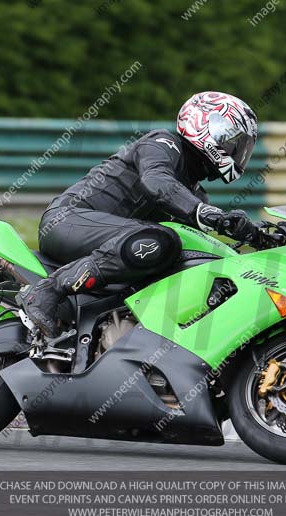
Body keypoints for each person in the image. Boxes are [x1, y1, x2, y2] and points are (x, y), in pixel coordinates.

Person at [18, 91, 261, 338]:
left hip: (111, 240)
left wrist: (251, 237)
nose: (237, 151)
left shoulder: (195, 195)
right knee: (161, 240)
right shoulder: (161, 143)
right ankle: (48, 291)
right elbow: (157, 181)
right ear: (203, 123)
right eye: (233, 141)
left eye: (242, 146)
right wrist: (207, 213)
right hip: (67, 220)